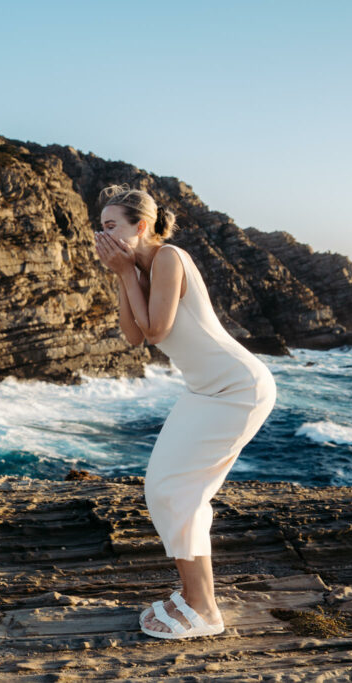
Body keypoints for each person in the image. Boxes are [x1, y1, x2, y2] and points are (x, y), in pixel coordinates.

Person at [93, 186, 275, 640]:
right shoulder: (137, 268)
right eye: (101, 228)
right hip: (205, 389)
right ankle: (194, 595)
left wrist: (125, 272)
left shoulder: (169, 258)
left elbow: (156, 331)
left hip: (237, 388)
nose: (105, 234)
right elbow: (133, 337)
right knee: (164, 487)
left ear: (141, 225)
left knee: (181, 490)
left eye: (112, 225)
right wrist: (122, 274)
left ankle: (205, 608)